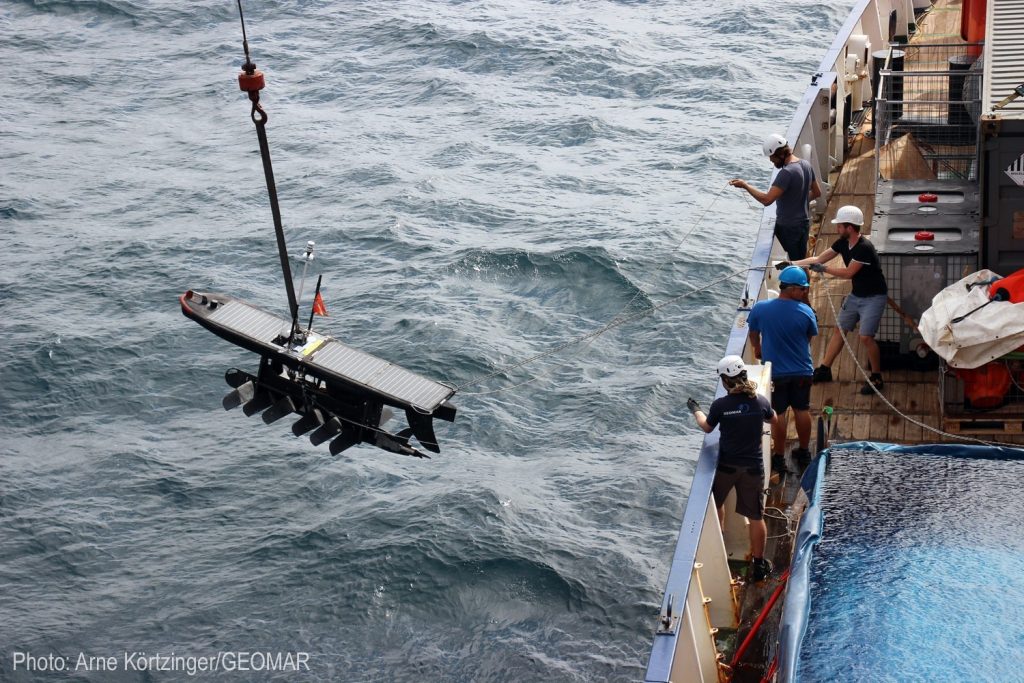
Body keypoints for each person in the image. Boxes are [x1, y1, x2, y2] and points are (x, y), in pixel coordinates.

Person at [687, 356, 779, 582]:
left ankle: (721, 547)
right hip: (752, 468)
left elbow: (707, 427)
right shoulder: (759, 401)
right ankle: (758, 564)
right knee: (756, 517)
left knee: (717, 504)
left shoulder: (721, 406)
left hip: (727, 466)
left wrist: (696, 410)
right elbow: (773, 419)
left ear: (727, 381)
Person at [793, 204, 888, 395]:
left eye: (840, 226)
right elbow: (819, 258)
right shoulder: (842, 243)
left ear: (850, 228)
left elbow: (848, 273)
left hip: (874, 298)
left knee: (866, 337)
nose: (837, 229)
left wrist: (825, 269)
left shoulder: (864, 249)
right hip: (857, 295)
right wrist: (790, 264)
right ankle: (825, 369)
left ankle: (877, 377)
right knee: (840, 330)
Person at [746, 266, 817, 472]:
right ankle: (804, 451)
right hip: (803, 371)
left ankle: (778, 457)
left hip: (777, 373)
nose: (804, 293)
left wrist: (757, 349)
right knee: (802, 410)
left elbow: (753, 332)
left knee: (780, 414)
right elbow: (809, 337)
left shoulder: (760, 308)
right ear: (792, 289)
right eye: (802, 289)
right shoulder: (806, 312)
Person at [730, 133, 822, 261]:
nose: (771, 161)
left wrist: (745, 185)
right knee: (802, 262)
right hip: (803, 224)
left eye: (772, 157)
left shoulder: (786, 173)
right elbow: (817, 192)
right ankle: (805, 279)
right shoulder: (805, 165)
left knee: (797, 265)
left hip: (790, 228)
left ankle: (803, 281)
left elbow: (767, 200)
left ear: (780, 153)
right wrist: (800, 202)